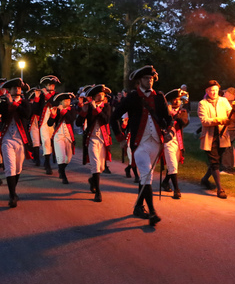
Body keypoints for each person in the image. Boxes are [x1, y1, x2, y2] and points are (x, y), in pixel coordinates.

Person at [111, 65, 171, 226]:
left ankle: (138, 206)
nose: (149, 81)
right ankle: (152, 212)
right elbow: (114, 117)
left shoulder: (159, 97)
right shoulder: (131, 97)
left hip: (156, 143)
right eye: (146, 78)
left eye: (151, 78)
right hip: (139, 144)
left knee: (146, 177)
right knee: (146, 175)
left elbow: (168, 118)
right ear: (139, 80)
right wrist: (120, 138)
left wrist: (168, 130)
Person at [0, 78, 31, 208]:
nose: (17, 90)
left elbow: (26, 114)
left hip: (21, 140)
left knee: (17, 168)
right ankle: (12, 195)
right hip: (7, 139)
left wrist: (14, 104)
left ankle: (13, 192)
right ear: (9, 90)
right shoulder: (4, 105)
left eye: (18, 88)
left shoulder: (25, 103)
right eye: (14, 88)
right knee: (10, 167)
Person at [76, 84, 113, 202]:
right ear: (93, 96)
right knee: (95, 164)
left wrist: (96, 109)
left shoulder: (106, 107)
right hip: (91, 139)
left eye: (102, 94)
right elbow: (78, 123)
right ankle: (98, 192)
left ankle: (92, 180)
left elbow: (106, 120)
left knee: (101, 167)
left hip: (103, 139)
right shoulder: (88, 107)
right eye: (99, 95)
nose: (101, 96)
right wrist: (83, 112)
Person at [198, 80, 232, 199]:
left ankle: (205, 179)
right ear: (207, 91)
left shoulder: (223, 101)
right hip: (209, 138)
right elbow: (204, 121)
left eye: (216, 90)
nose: (213, 92)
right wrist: (220, 120)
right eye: (211, 90)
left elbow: (230, 114)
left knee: (217, 160)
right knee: (214, 162)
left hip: (222, 136)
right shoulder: (202, 103)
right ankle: (219, 189)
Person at [160, 88, 189, 199]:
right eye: (174, 99)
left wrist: (176, 116)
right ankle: (176, 189)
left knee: (174, 164)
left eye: (178, 99)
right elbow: (162, 123)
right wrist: (169, 114)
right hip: (168, 140)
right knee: (172, 164)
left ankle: (165, 182)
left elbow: (184, 122)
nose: (176, 101)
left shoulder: (183, 111)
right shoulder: (165, 111)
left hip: (178, 141)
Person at [48, 92, 77, 185]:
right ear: (61, 102)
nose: (68, 102)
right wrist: (53, 115)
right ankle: (63, 175)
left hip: (69, 136)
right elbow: (49, 123)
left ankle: (61, 169)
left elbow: (70, 119)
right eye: (66, 101)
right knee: (61, 156)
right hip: (58, 136)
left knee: (68, 158)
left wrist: (63, 111)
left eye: (69, 100)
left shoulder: (72, 110)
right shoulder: (56, 110)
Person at [38, 75, 60, 174]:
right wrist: (37, 97)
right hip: (43, 122)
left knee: (54, 143)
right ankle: (47, 164)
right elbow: (35, 108)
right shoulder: (41, 95)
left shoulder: (58, 95)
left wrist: (47, 94)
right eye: (48, 85)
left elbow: (54, 103)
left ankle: (58, 163)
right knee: (46, 142)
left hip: (55, 122)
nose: (50, 86)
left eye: (52, 85)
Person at [221, 87, 235, 174]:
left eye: (225, 94)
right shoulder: (232, 104)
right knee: (229, 148)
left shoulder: (231, 105)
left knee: (226, 149)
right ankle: (230, 166)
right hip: (231, 130)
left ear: (229, 94)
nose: (224, 95)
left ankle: (226, 168)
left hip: (229, 129)